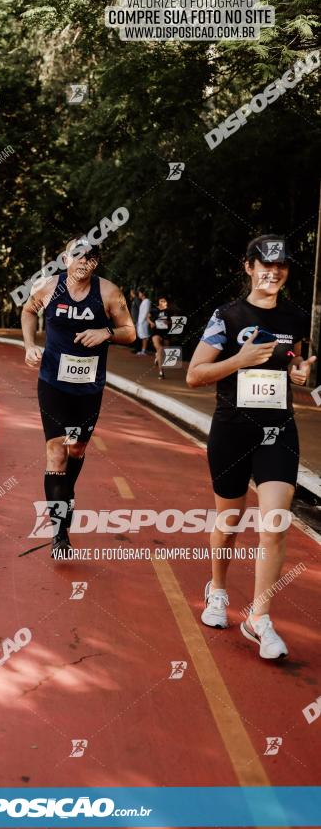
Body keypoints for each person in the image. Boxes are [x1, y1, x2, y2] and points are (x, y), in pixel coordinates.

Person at [187, 235, 315, 660]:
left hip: (278, 431)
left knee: (275, 522)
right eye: (265, 264)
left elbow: (294, 362)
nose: (273, 272)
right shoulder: (227, 316)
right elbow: (195, 375)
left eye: (281, 267)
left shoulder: (296, 317)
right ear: (247, 266)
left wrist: (299, 373)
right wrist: (239, 360)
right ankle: (218, 590)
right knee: (230, 520)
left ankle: (260, 618)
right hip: (232, 431)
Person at [22, 235, 136, 559]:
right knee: (56, 453)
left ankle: (66, 492)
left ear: (96, 262)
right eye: (78, 254)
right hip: (53, 384)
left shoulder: (109, 293)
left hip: (88, 388)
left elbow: (131, 331)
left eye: (91, 256)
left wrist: (107, 333)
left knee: (77, 448)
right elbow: (28, 311)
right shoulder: (47, 287)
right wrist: (29, 344)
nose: (84, 260)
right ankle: (60, 533)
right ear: (65, 258)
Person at [149, 295, 172, 379]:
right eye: (161, 301)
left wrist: (168, 322)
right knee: (159, 349)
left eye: (164, 301)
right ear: (158, 301)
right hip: (156, 331)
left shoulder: (168, 311)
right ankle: (161, 372)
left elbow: (172, 321)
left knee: (165, 352)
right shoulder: (154, 310)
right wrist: (151, 323)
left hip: (165, 332)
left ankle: (157, 358)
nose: (163, 302)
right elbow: (147, 317)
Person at [136, 289, 152, 355]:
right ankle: (143, 350)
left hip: (144, 322)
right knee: (142, 336)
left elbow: (146, 312)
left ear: (143, 293)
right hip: (141, 322)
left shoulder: (147, 301)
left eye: (140, 293)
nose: (139, 294)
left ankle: (144, 350)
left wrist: (141, 322)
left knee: (144, 336)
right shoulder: (143, 301)